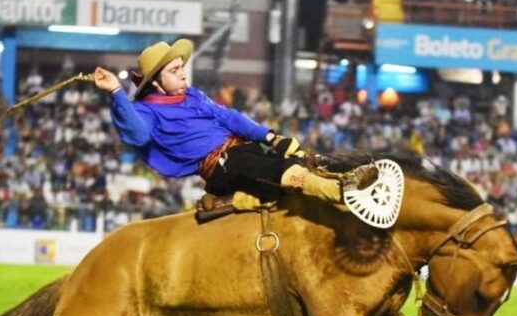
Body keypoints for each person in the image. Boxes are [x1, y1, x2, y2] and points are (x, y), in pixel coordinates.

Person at [92, 39, 376, 205]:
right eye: (175, 70)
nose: (182, 74)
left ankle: (351, 172)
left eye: (181, 68)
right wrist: (117, 92)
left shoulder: (193, 95)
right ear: (155, 81)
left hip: (240, 151)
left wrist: (271, 137)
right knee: (280, 167)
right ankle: (343, 194)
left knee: (299, 154)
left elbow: (229, 117)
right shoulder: (145, 111)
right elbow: (137, 134)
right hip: (220, 164)